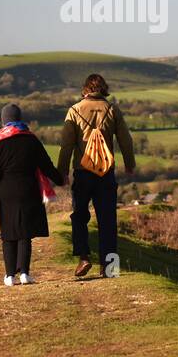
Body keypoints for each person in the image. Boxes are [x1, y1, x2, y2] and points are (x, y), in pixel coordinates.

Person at [0, 104, 64, 286]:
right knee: (25, 233)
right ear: (20, 119)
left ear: (4, 121)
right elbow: (47, 165)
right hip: (28, 188)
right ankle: (25, 274)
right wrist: (60, 180)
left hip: (5, 191)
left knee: (8, 233)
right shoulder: (31, 140)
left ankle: (9, 276)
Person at [57, 73, 135, 278]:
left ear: (85, 89)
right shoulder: (112, 109)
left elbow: (66, 145)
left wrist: (62, 172)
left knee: (79, 216)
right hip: (105, 173)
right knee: (108, 220)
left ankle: (83, 257)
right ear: (104, 89)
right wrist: (130, 164)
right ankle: (109, 267)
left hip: (83, 173)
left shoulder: (74, 111)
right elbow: (126, 140)